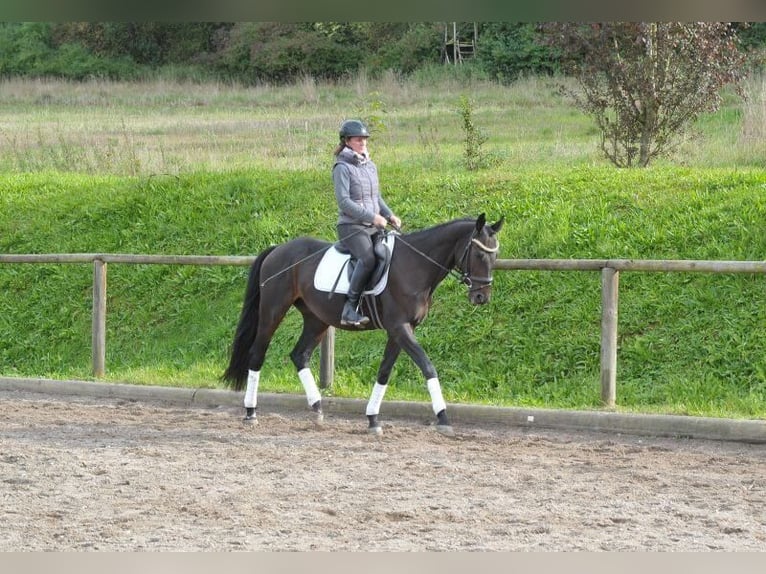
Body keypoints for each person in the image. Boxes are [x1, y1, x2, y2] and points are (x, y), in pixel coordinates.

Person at [333, 119, 402, 327]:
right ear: (347, 141)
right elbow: (344, 202)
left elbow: (376, 196)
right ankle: (349, 308)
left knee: (388, 253)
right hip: (351, 226)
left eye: (364, 138)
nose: (363, 142)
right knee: (368, 258)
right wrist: (372, 217)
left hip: (373, 225)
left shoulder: (370, 165)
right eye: (358, 139)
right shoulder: (342, 167)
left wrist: (389, 215)